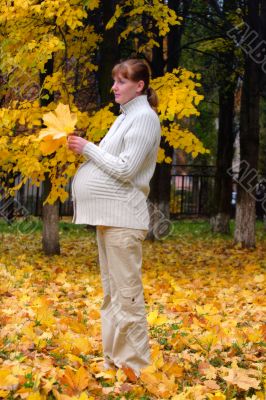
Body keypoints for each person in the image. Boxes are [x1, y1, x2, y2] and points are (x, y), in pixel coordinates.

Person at [68, 58, 161, 378]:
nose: (114, 87)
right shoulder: (124, 119)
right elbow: (110, 163)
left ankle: (135, 368)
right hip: (110, 219)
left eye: (121, 82)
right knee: (112, 296)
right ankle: (113, 361)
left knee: (128, 297)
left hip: (125, 220)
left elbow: (125, 168)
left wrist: (87, 148)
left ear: (140, 85)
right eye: (114, 81)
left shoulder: (145, 119)